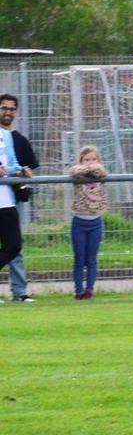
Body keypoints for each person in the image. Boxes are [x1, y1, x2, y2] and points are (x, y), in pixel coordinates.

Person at [0, 94, 37, 303]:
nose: (7, 112)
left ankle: (20, 292)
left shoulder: (13, 138)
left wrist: (23, 172)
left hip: (7, 199)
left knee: (14, 246)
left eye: (11, 109)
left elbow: (17, 166)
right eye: (3, 108)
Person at [69, 145, 108, 300]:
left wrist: (94, 167)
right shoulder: (78, 173)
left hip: (95, 222)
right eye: (86, 160)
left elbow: (102, 171)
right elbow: (74, 171)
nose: (90, 163)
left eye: (93, 159)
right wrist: (85, 168)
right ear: (80, 161)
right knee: (80, 259)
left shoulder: (100, 173)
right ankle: (78, 290)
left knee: (91, 259)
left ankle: (89, 290)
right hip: (79, 221)